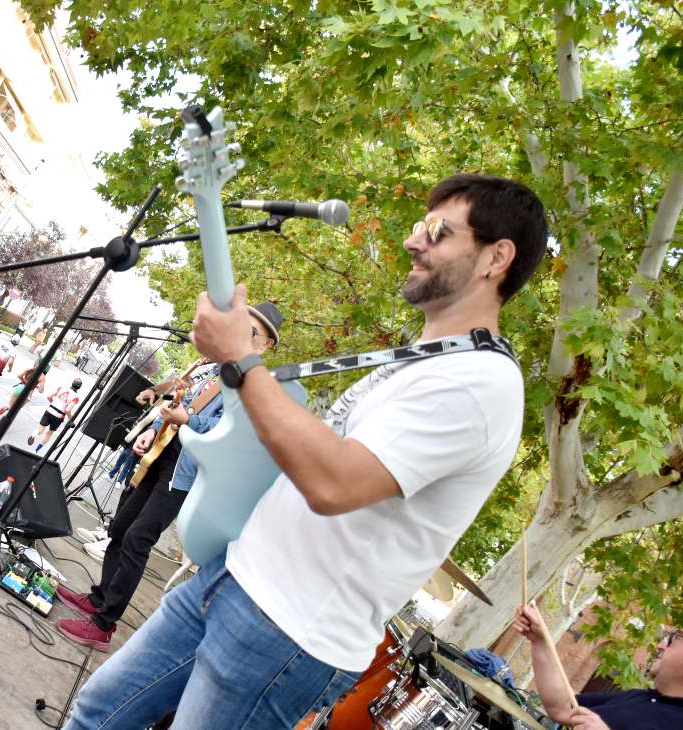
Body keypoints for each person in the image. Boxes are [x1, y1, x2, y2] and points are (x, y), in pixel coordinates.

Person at [63, 174, 549, 729]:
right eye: (419, 226)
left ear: (496, 258)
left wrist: (242, 363)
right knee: (97, 713)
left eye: (438, 231)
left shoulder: (479, 384)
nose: (414, 241)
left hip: (286, 633)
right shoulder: (426, 359)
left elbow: (334, 483)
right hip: (234, 577)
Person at [54, 304, 281, 654]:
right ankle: (99, 599)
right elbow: (181, 403)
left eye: (252, 332)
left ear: (265, 346)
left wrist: (187, 419)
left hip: (185, 471)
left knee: (138, 539)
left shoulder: (250, 383)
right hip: (161, 453)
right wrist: (156, 429)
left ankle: (103, 624)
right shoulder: (216, 366)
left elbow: (226, 430)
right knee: (120, 528)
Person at [514, 604, 683, 729]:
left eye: (676, 638)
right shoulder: (639, 697)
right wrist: (540, 641)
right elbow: (562, 707)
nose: (660, 646)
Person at [31, 378, 83, 453]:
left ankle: (33, 435)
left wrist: (53, 403)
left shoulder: (61, 388)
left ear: (72, 383)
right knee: (49, 433)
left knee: (40, 428)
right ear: (79, 388)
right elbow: (68, 410)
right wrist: (71, 419)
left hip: (50, 410)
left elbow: (49, 397)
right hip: (58, 415)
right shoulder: (76, 397)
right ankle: (36, 450)